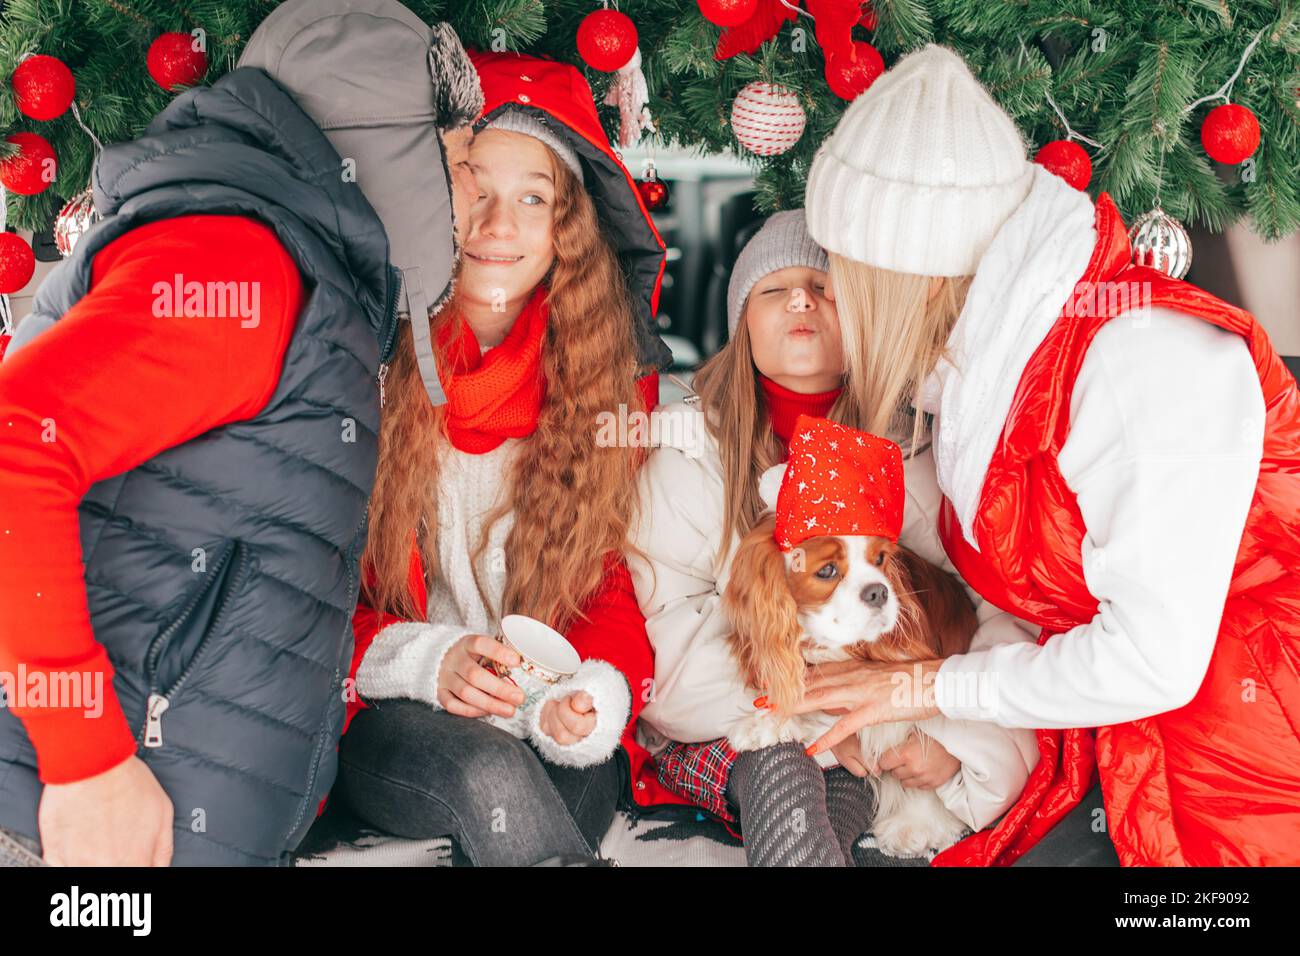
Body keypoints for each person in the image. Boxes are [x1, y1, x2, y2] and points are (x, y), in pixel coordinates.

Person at [0, 0, 482, 867]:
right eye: (456, 160)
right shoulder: (240, 261)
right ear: (379, 144)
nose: (473, 195)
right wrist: (85, 761)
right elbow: (13, 443)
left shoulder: (301, 275)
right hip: (65, 832)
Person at [798, 43, 1300, 866]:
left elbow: (1153, 658)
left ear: (916, 275)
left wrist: (926, 688)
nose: (835, 298)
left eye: (846, 272)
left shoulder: (1139, 363)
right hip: (1112, 740)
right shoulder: (983, 371)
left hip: (1245, 757)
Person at [330, 50, 672, 867]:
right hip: (393, 702)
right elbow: (303, 590)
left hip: (535, 696)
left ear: (568, 231)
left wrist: (592, 695)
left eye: (533, 198)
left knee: (572, 771)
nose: (497, 224)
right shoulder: (358, 365)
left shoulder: (607, 383)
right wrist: (428, 661)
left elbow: (609, 580)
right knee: (490, 777)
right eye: (474, 188)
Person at [626, 211, 1039, 866]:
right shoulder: (685, 445)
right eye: (773, 290)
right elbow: (662, 641)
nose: (800, 301)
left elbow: (998, 614)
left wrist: (954, 741)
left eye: (825, 289)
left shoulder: (923, 447)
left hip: (880, 729)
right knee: (782, 767)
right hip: (731, 724)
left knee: (848, 799)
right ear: (742, 325)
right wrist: (812, 705)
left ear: (865, 320)